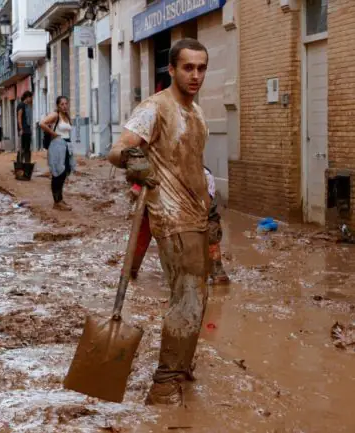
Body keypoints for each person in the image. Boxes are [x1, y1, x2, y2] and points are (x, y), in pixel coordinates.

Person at [108, 38, 211, 405]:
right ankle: (164, 385)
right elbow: (117, 149)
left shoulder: (197, 113)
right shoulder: (155, 108)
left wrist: (209, 208)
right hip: (170, 216)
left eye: (201, 67)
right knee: (186, 298)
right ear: (171, 69)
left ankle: (181, 365)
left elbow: (194, 165)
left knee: (199, 296)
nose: (195, 75)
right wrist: (133, 159)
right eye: (188, 67)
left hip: (197, 214)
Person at [128, 166, 230, 286]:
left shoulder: (204, 175)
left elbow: (207, 203)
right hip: (159, 202)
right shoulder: (158, 169)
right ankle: (131, 269)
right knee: (146, 231)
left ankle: (215, 270)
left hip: (194, 205)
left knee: (210, 228)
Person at [40, 96, 76, 211]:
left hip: (66, 145)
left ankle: (60, 199)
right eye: (62, 104)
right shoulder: (56, 115)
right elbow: (42, 123)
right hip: (57, 145)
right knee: (58, 173)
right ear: (58, 106)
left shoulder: (66, 116)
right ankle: (57, 202)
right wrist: (53, 133)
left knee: (64, 172)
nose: (65, 106)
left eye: (66, 103)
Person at [16, 91, 33, 163]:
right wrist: (20, 129)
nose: (31, 99)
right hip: (23, 129)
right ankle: (19, 163)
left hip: (28, 129)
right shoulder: (21, 105)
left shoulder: (28, 105)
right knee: (22, 147)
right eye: (30, 97)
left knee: (27, 148)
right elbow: (19, 118)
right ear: (27, 97)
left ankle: (27, 163)